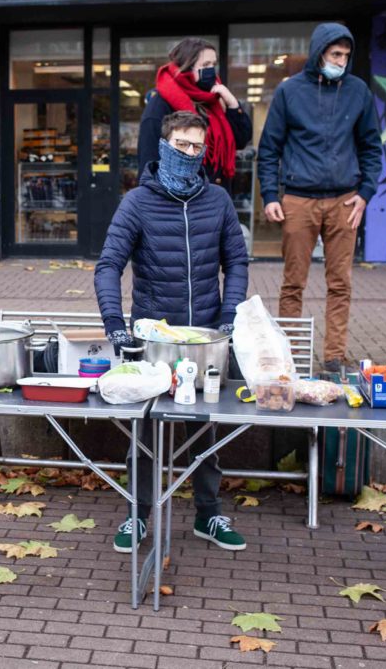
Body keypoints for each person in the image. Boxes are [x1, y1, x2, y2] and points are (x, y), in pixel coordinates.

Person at [95, 110, 249, 553]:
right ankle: (136, 516)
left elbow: (236, 262)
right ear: (164, 146)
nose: (190, 153)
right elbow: (108, 266)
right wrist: (115, 326)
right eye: (181, 145)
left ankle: (208, 514)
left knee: (204, 429)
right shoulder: (137, 203)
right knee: (144, 431)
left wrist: (228, 316)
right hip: (152, 340)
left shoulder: (217, 200)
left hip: (204, 340)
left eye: (197, 147)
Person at [257, 22, 383, 373]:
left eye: (346, 55)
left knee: (340, 283)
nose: (341, 61)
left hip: (345, 200)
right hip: (299, 199)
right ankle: (290, 356)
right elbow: (269, 148)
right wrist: (271, 195)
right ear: (319, 53)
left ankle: (334, 357)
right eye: (334, 54)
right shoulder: (289, 91)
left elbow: (372, 147)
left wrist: (365, 194)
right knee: (293, 282)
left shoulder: (358, 91)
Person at [137, 38, 252, 191]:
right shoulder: (161, 104)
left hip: (216, 199)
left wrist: (232, 103)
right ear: (187, 68)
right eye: (205, 65)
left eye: (213, 64)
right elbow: (149, 162)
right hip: (181, 202)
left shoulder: (214, 100)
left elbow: (241, 139)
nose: (211, 70)